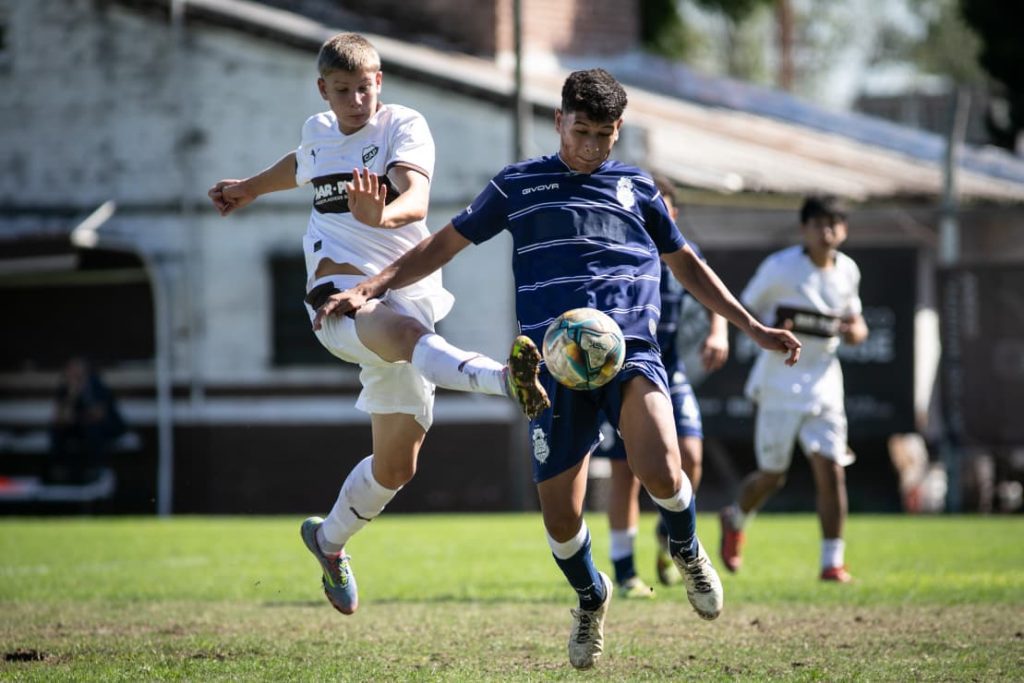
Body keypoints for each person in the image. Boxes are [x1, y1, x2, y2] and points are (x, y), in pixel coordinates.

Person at [315, 68, 801, 669]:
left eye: (603, 134)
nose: (591, 146)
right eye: (581, 131)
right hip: (552, 365)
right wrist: (374, 286)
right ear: (558, 121)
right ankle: (591, 596)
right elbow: (443, 244)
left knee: (661, 466)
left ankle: (686, 549)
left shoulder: (637, 188)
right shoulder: (519, 185)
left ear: (618, 131)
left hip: (628, 350)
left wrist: (752, 326)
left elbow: (687, 266)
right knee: (562, 517)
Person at [207, 33, 549, 617]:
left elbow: (416, 200)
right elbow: (302, 164)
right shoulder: (318, 131)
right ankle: (506, 382)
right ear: (323, 90)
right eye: (342, 90)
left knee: (396, 466)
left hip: (404, 294)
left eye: (364, 88)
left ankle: (327, 541)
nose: (355, 100)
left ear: (379, 82)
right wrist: (247, 189)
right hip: (337, 299)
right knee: (403, 336)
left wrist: (380, 214)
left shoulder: (403, 126)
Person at [718, 195, 869, 583]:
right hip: (780, 381)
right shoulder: (780, 267)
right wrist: (766, 331)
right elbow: (745, 308)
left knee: (832, 469)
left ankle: (832, 562)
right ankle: (735, 519)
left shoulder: (848, 270)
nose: (826, 231)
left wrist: (855, 331)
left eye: (834, 223)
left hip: (825, 382)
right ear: (804, 229)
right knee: (772, 476)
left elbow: (857, 324)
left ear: (844, 230)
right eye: (818, 223)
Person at [593, 175, 730, 599]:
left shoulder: (684, 252)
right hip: (622, 372)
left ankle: (669, 533)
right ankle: (625, 571)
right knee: (624, 471)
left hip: (670, 369)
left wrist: (719, 332)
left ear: (673, 212)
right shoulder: (619, 249)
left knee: (691, 457)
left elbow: (710, 289)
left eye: (662, 206)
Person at [47, 356, 126, 484]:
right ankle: (59, 469)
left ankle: (94, 468)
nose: (74, 374)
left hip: (105, 426)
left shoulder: (97, 386)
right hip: (79, 426)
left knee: (92, 429)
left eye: (77, 371)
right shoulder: (64, 389)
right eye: (70, 371)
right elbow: (60, 417)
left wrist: (77, 414)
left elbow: (99, 414)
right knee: (56, 429)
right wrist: (72, 395)